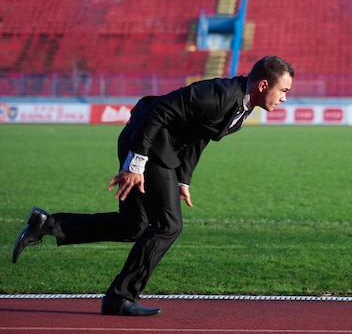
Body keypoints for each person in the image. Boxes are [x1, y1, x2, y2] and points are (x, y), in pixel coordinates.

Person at [12, 55, 294, 316]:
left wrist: (182, 179)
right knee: (168, 226)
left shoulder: (240, 108)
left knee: (133, 225)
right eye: (283, 91)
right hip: (148, 145)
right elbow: (158, 110)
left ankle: (48, 225)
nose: (284, 98)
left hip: (155, 148)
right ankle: (119, 298)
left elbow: (200, 137)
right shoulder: (218, 95)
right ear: (264, 84)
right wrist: (136, 163)